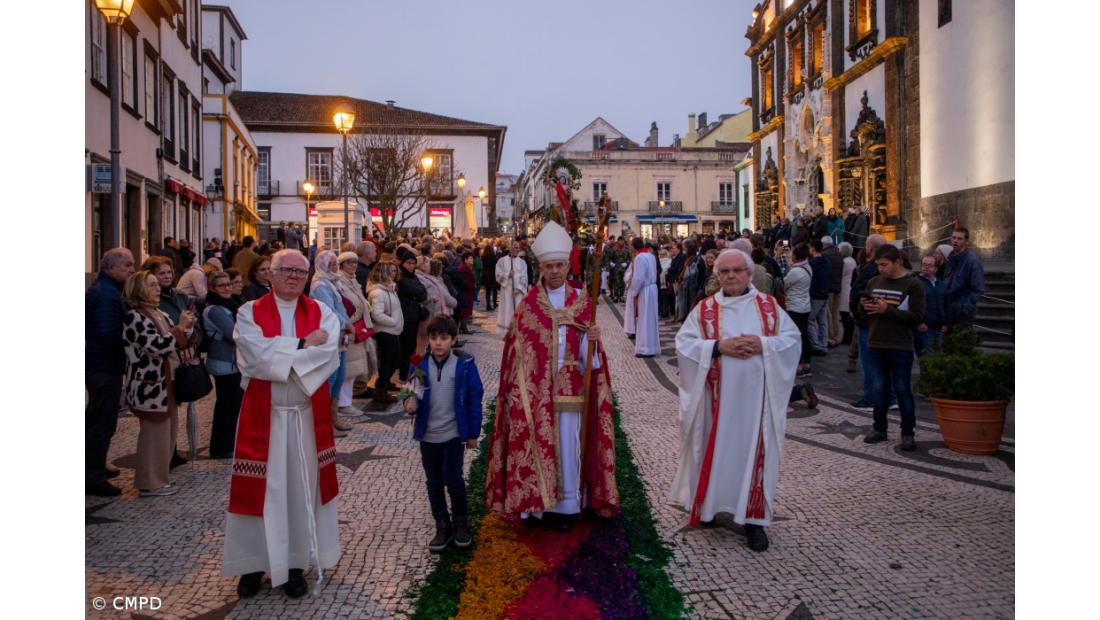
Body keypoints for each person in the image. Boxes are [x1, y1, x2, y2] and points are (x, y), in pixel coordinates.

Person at [222, 249, 343, 600]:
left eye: (299, 271)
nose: (292, 276)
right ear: (269, 275)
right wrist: (303, 344)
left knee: (299, 491)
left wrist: (284, 355)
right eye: (284, 269)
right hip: (265, 417)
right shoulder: (249, 312)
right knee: (259, 493)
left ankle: (293, 565)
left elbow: (328, 354)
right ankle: (251, 565)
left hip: (305, 417)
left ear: (307, 277)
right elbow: (254, 355)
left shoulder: (321, 312)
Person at [486, 222, 619, 531]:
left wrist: (592, 338)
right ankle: (536, 506)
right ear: (541, 268)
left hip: (573, 388)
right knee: (536, 445)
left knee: (570, 446)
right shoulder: (529, 306)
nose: (555, 271)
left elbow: (593, 360)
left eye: (559, 265)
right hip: (537, 391)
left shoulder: (582, 300)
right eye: (549, 266)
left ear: (567, 265)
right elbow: (516, 352)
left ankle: (568, 506)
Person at [671, 249, 801, 552]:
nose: (731, 276)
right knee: (714, 451)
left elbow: (792, 341)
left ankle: (753, 521)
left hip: (756, 404)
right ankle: (708, 509)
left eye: (737, 271)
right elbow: (684, 345)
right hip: (714, 402)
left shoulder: (769, 307)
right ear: (718, 275)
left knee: (752, 455)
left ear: (748, 273)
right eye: (725, 271)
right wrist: (718, 347)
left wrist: (763, 344)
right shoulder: (704, 310)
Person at [402, 315, 485, 551]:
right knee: (434, 481)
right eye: (434, 338)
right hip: (428, 436)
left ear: (453, 339)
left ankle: (460, 523)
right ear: (428, 339)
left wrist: (472, 433)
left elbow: (474, 400)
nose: (438, 343)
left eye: (444, 338)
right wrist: (409, 404)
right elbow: (410, 393)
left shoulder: (464, 365)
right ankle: (442, 524)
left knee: (454, 479)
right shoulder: (418, 364)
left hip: (453, 435)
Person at [121, 270, 197, 497]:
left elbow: (178, 341)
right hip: (150, 385)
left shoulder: (160, 313)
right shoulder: (135, 317)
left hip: (168, 382)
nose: (157, 289)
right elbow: (157, 346)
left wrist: (188, 328)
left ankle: (159, 477)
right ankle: (149, 482)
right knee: (154, 435)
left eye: (157, 285)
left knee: (168, 433)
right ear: (138, 289)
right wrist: (181, 328)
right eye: (152, 285)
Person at [860, 245, 925, 451]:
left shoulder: (913, 285)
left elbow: (916, 317)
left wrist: (887, 310)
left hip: (900, 345)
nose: (881, 269)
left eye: (884, 265)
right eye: (878, 265)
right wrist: (864, 307)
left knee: (902, 389)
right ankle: (879, 428)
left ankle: (908, 433)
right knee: (879, 388)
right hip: (876, 342)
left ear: (897, 263)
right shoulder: (873, 282)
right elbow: (865, 316)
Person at [86, 248, 136, 496]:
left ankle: (94, 466)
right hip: (103, 366)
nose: (131, 269)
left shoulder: (108, 289)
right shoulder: (107, 294)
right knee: (101, 422)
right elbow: (108, 334)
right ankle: (92, 477)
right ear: (111, 267)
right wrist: (124, 356)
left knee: (99, 419)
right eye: (127, 265)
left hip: (101, 364)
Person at [309, 251, 355, 437]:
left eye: (336, 263)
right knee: (331, 377)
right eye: (331, 264)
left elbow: (341, 308)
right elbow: (328, 311)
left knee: (340, 375)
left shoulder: (332, 282)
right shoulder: (320, 285)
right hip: (329, 336)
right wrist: (347, 325)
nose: (335, 267)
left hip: (340, 335)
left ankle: (333, 416)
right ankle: (322, 422)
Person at [203, 270, 243, 459]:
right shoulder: (214, 310)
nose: (227, 288)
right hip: (223, 363)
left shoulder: (229, 305)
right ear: (211, 288)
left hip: (235, 363)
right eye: (222, 285)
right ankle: (221, 446)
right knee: (226, 406)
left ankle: (229, 442)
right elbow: (233, 333)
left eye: (229, 284)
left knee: (234, 404)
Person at [849, 234, 891, 409]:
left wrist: (857, 310)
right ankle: (887, 396)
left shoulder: (870, 269)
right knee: (880, 362)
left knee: (869, 361)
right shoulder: (882, 269)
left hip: (868, 320)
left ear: (869, 248)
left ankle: (871, 396)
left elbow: (860, 292)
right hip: (879, 321)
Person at [335, 251, 374, 416]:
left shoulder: (353, 280)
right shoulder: (339, 281)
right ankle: (342, 403)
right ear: (342, 264)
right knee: (348, 369)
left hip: (358, 327)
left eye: (355, 262)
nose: (353, 265)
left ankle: (347, 401)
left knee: (355, 368)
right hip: (348, 328)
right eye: (350, 262)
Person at [367, 261, 403, 404]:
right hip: (385, 331)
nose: (394, 274)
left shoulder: (389, 289)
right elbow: (377, 314)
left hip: (393, 330)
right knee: (388, 361)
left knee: (395, 359)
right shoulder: (378, 292)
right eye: (391, 271)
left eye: (395, 271)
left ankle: (385, 382)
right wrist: (394, 321)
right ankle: (381, 390)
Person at [396, 247, 429, 382]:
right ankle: (404, 373)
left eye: (413, 263)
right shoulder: (401, 277)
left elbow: (423, 292)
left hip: (414, 314)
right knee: (406, 345)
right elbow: (414, 291)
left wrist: (417, 294)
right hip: (406, 315)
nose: (411, 266)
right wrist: (417, 294)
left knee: (412, 345)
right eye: (408, 263)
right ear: (403, 263)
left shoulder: (414, 276)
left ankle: (409, 371)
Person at [943, 227, 985, 328]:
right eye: (953, 238)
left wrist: (965, 308)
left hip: (962, 312)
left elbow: (978, 289)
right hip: (947, 308)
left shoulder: (972, 261)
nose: (955, 241)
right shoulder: (950, 258)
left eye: (959, 239)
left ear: (966, 241)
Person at [783, 243, 813, 377]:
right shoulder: (808, 267)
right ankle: (807, 363)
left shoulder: (795, 271)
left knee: (797, 336)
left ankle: (799, 365)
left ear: (795, 256)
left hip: (795, 306)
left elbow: (785, 283)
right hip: (805, 305)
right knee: (804, 334)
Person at [628, 237, 660, 357]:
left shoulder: (639, 258)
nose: (629, 247)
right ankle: (652, 347)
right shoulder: (651, 256)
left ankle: (644, 349)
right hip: (652, 288)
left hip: (645, 290)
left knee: (644, 319)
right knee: (651, 319)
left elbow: (638, 278)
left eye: (631, 245)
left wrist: (633, 291)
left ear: (634, 246)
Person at [914, 255, 947, 356]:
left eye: (929, 265)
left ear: (936, 269)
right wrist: (918, 323)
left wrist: (946, 323)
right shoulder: (916, 283)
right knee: (927, 359)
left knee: (938, 361)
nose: (926, 267)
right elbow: (911, 305)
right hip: (924, 329)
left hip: (940, 329)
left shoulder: (941, 285)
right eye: (924, 265)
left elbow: (946, 304)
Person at [494, 241, 529, 334]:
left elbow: (525, 277)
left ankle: (518, 329)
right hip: (506, 291)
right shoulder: (501, 261)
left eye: (518, 248)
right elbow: (497, 275)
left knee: (517, 311)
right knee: (507, 311)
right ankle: (507, 330)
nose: (517, 249)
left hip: (518, 293)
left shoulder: (522, 263)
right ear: (510, 248)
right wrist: (507, 275)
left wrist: (518, 289)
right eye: (515, 247)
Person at [806, 239, 831, 356]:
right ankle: (823, 345)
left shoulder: (812, 263)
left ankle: (816, 345)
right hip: (824, 293)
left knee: (810, 320)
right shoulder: (827, 261)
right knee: (822, 322)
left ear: (813, 248)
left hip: (815, 294)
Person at [821, 236, 844, 347]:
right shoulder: (839, 255)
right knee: (835, 313)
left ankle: (830, 337)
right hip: (837, 287)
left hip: (829, 287)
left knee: (828, 313)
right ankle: (836, 335)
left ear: (824, 245)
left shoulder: (825, 255)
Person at [838, 242, 858, 349]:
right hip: (848, 288)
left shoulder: (845, 262)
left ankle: (847, 337)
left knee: (845, 315)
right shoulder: (853, 260)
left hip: (845, 288)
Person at [456, 251, 476, 334]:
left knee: (467, 309)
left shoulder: (467, 267)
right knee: (465, 310)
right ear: (465, 260)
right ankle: (464, 327)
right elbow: (463, 281)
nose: (472, 260)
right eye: (470, 258)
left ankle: (463, 327)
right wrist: (471, 285)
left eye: (472, 258)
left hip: (468, 292)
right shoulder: (463, 268)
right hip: (465, 292)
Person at [481, 244, 500, 311]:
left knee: (488, 291)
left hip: (486, 275)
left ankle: (488, 305)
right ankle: (494, 303)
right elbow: (495, 266)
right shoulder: (493, 257)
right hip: (492, 275)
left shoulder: (483, 257)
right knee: (494, 290)